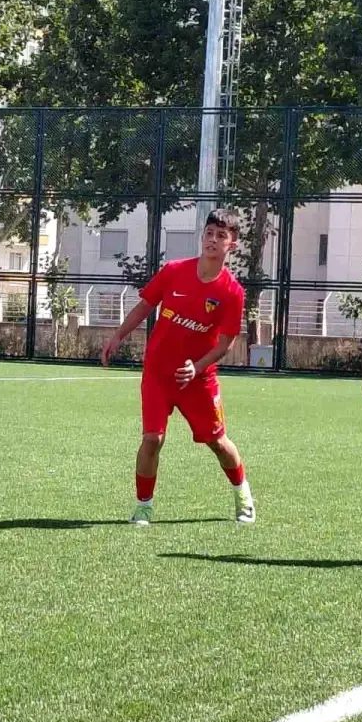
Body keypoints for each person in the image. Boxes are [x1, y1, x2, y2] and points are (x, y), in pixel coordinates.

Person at [101, 208, 255, 526]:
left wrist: (197, 368)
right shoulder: (173, 271)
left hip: (198, 380)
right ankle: (143, 507)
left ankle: (243, 495)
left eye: (221, 236)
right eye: (209, 233)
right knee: (152, 439)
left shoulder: (232, 292)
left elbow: (225, 344)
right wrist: (118, 335)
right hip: (158, 373)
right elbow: (145, 306)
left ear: (232, 244)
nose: (213, 240)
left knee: (217, 442)